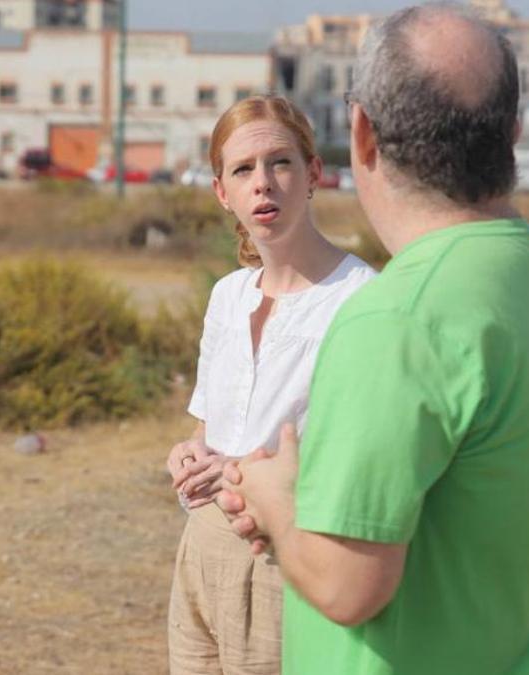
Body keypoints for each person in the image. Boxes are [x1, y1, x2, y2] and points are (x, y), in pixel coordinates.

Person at [218, 7, 529, 675]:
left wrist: (277, 499)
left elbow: (347, 585)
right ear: (512, 133)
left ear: (361, 133)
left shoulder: (396, 318)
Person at [164, 95, 376, 674]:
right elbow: (208, 430)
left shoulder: (361, 299)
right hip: (201, 551)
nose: (263, 184)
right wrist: (188, 455)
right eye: (243, 169)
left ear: (313, 174)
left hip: (286, 555)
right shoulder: (227, 297)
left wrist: (238, 469)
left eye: (279, 163)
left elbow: (363, 457)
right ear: (220, 192)